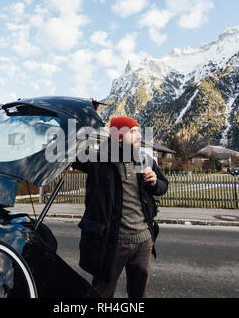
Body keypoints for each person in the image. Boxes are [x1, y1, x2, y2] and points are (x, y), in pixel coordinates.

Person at [72, 116, 168, 298]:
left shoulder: (145, 160)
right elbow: (71, 152)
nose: (139, 135)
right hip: (112, 242)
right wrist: (87, 116)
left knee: (139, 295)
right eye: (133, 131)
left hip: (144, 241)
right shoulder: (99, 160)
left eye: (138, 130)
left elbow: (163, 186)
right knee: (102, 293)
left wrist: (155, 183)